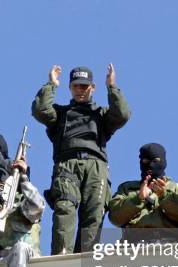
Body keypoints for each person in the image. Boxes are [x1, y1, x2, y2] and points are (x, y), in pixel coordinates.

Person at [32, 64, 130, 254]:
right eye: (76, 86)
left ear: (92, 88)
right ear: (70, 87)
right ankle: (62, 255)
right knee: (65, 207)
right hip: (67, 165)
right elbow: (40, 110)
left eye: (84, 86)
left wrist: (112, 87)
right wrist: (51, 84)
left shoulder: (101, 115)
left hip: (96, 166)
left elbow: (122, 115)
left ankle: (85, 257)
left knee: (94, 213)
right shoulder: (61, 114)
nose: (80, 90)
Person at [108, 143, 178, 240]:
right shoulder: (127, 189)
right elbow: (115, 218)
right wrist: (137, 199)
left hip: (172, 245)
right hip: (135, 247)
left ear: (163, 162)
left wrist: (164, 196)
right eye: (145, 161)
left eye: (155, 161)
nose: (150, 165)